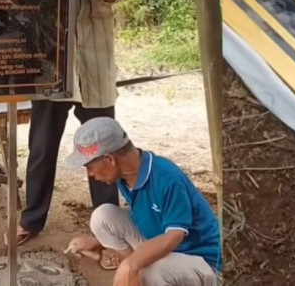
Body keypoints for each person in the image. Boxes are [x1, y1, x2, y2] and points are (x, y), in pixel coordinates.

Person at [9, 0, 128, 246]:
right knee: (42, 148)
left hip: (94, 75)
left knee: (103, 150)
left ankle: (108, 231)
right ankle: (32, 220)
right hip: (52, 73)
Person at [63, 117, 221, 286]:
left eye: (89, 167)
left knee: (147, 272)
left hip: (202, 260)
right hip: (166, 247)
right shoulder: (125, 177)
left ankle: (138, 274)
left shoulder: (167, 178)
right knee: (103, 216)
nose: (90, 174)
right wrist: (96, 243)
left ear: (110, 159)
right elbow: (149, 219)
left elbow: (174, 237)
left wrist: (132, 264)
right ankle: (132, 275)